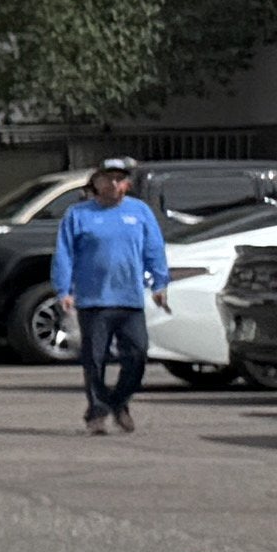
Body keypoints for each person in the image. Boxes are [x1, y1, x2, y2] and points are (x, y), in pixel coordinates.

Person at [55, 155, 172, 436]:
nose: (114, 184)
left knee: (137, 354)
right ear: (96, 182)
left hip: (129, 299)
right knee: (94, 359)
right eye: (108, 178)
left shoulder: (139, 212)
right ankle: (96, 411)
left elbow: (153, 250)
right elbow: (64, 254)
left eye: (120, 179)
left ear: (128, 184)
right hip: (93, 300)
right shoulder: (79, 214)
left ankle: (118, 401)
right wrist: (64, 289)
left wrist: (159, 284)